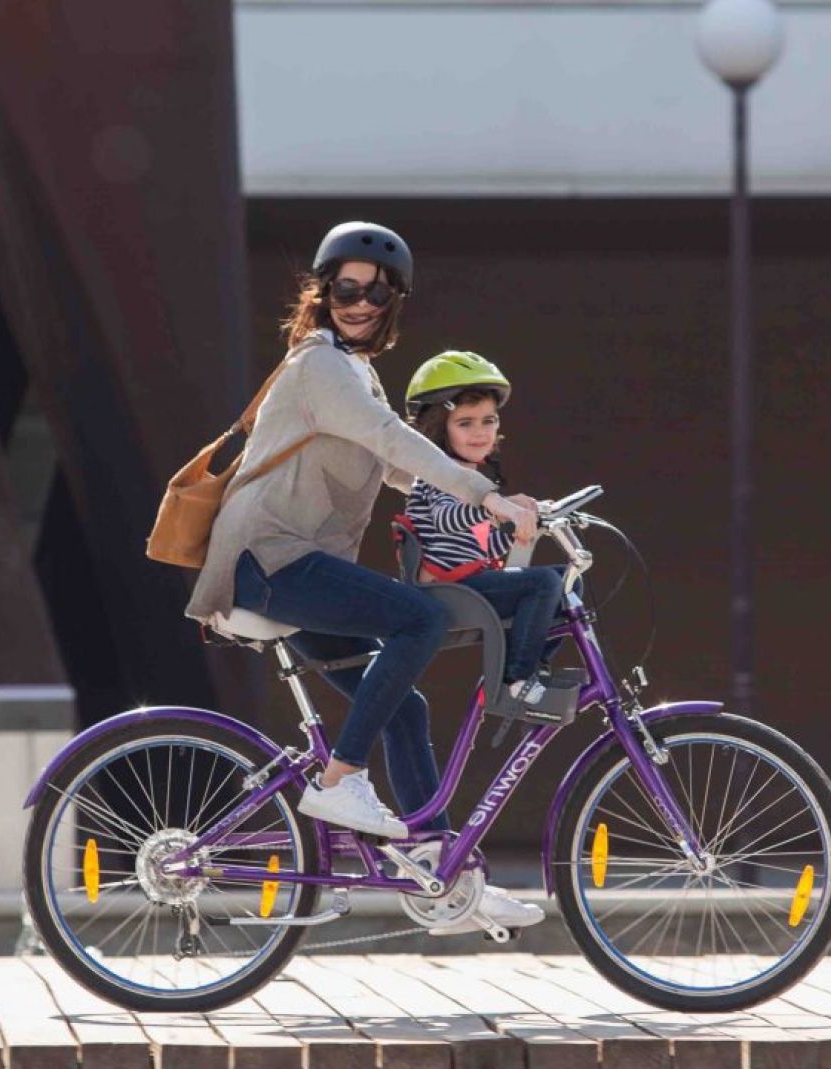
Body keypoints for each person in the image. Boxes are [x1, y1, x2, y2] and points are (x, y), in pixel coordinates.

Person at [183, 222, 544, 933]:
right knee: (419, 617)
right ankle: (340, 779)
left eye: (376, 292)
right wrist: (481, 492)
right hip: (268, 559)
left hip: (299, 568)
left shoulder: (355, 372)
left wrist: (500, 502)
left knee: (404, 707)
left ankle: (442, 872)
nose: (360, 300)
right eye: (346, 286)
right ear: (323, 291)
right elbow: (391, 438)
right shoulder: (317, 363)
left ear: (392, 302)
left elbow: (397, 469)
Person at [400, 351, 577, 721]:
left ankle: (531, 666)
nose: (480, 432)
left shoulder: (475, 480)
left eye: (488, 420)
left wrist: (526, 526)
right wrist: (495, 507)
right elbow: (447, 519)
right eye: (465, 423)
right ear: (437, 426)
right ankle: (517, 679)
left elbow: (481, 550)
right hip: (446, 590)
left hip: (469, 579)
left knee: (567, 582)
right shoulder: (438, 474)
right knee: (544, 582)